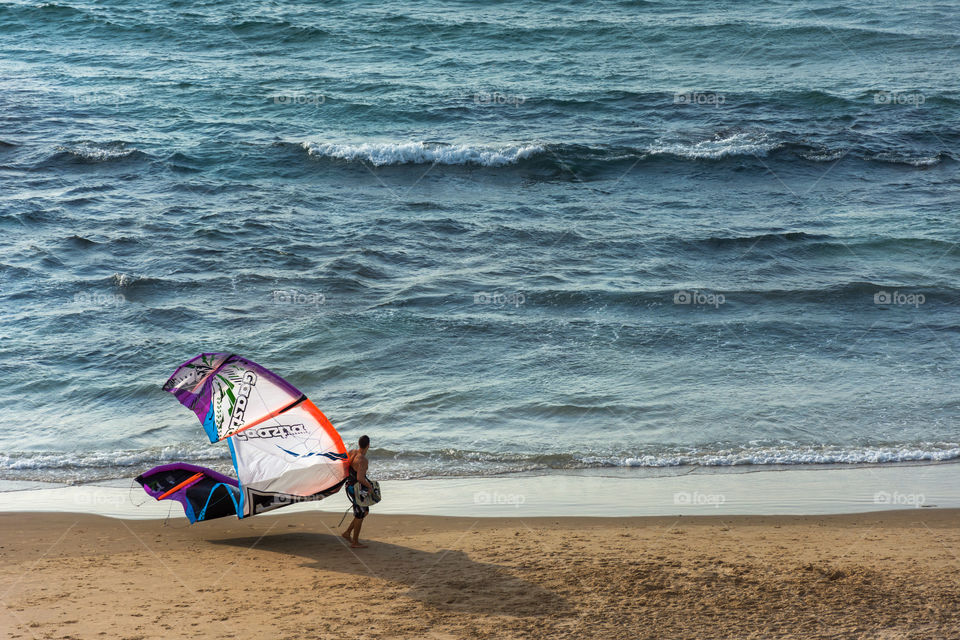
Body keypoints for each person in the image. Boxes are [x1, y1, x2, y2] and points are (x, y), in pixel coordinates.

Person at [342, 434, 372, 548]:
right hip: (356, 489)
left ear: (359, 444)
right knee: (360, 514)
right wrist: (369, 487)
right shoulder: (363, 460)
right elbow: (360, 478)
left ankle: (347, 533)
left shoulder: (352, 452)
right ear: (368, 446)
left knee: (364, 512)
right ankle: (355, 542)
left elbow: (345, 466)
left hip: (349, 486)